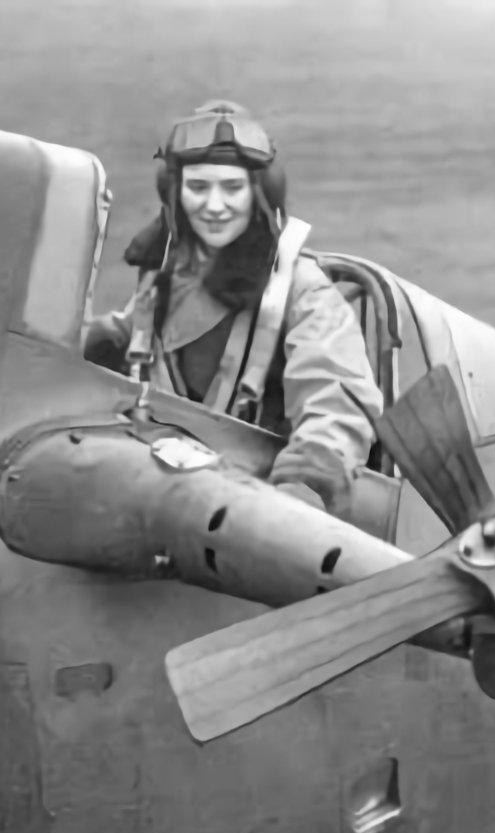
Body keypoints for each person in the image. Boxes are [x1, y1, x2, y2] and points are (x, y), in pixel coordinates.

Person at [83, 100, 384, 519]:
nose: (215, 205)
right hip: (160, 494)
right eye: (199, 187)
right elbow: (126, 336)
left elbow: (335, 402)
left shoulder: (301, 290)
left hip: (252, 513)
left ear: (260, 194)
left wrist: (302, 490)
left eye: (232, 187)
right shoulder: (166, 275)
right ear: (175, 192)